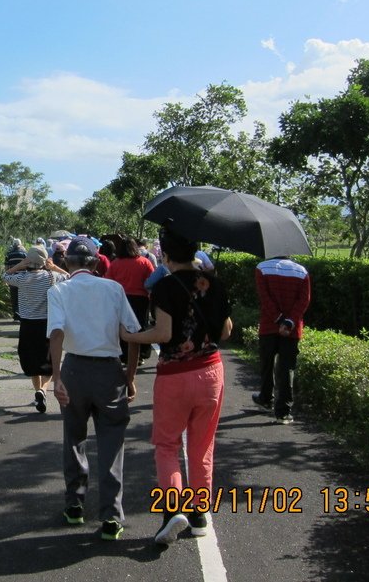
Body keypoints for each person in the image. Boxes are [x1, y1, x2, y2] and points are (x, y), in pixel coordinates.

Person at [121, 227, 232, 546]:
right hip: (211, 373)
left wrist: (130, 336)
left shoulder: (165, 286)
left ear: (165, 255)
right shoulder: (216, 283)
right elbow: (225, 332)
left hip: (175, 376)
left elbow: (163, 334)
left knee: (167, 445)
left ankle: (172, 513)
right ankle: (199, 515)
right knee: (202, 444)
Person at [48, 237, 141, 541]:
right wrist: (129, 376)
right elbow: (131, 334)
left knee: (74, 437)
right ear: (96, 261)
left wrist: (57, 376)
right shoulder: (113, 288)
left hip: (74, 368)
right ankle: (111, 516)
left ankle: (74, 504)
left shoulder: (59, 290)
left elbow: (57, 333)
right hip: (108, 370)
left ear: (68, 262)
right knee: (112, 442)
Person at [2, 245, 69, 413]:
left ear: (28, 261)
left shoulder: (21, 278)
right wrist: (54, 267)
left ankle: (37, 391)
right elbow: (69, 276)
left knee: (31, 361)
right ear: (44, 261)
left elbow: (3, 276)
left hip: (27, 324)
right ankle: (43, 390)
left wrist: (18, 266)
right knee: (48, 361)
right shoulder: (50, 277)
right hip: (46, 324)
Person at [253, 256, 311, 424]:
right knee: (287, 369)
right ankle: (283, 412)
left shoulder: (262, 268)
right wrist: (289, 322)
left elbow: (265, 299)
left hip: (268, 326)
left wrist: (278, 319)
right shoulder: (301, 271)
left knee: (266, 364)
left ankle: (265, 398)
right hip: (291, 330)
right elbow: (304, 301)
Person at [104, 236, 155, 365]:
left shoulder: (115, 263)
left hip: (121, 298)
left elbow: (109, 282)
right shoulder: (144, 262)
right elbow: (151, 281)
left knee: (122, 327)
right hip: (141, 299)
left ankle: (124, 355)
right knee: (140, 327)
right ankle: (140, 355)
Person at [4, 238, 27, 321]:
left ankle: (15, 314)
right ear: (20, 245)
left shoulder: (9, 254)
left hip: (13, 278)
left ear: (13, 245)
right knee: (22, 297)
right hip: (23, 278)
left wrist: (6, 278)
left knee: (14, 297)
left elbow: (6, 267)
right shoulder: (25, 254)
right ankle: (21, 313)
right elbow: (28, 266)